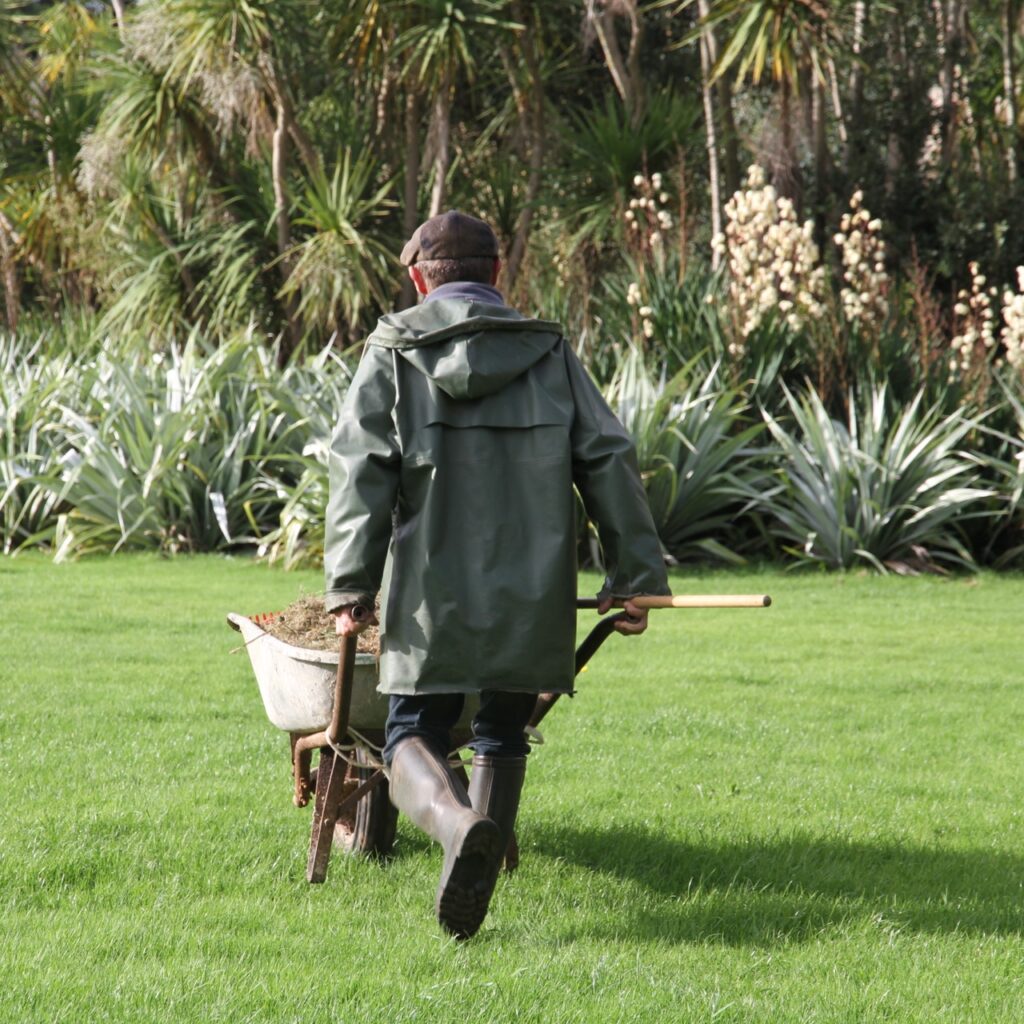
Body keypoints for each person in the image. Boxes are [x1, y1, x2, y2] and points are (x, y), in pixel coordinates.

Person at [324, 210, 670, 939]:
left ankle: (456, 829)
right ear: (498, 276)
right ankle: (473, 862)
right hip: (533, 589)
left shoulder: (394, 349)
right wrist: (632, 575)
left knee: (410, 730)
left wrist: (352, 588)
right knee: (501, 728)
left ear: (420, 278)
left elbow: (361, 471)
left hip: (429, 590)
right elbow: (608, 455)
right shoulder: (546, 354)